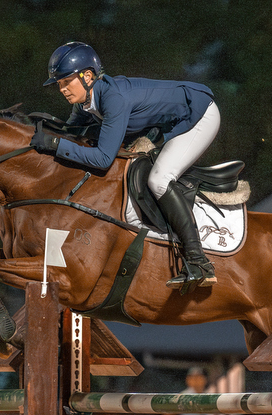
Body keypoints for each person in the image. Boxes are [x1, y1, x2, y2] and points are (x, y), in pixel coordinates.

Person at [32, 41, 220, 291]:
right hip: (171, 123)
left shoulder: (113, 99)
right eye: (59, 84)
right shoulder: (85, 103)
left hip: (198, 115)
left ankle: (200, 263)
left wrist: (54, 144)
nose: (63, 89)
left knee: (159, 179)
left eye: (67, 82)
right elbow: (69, 132)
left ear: (88, 76)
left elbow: (102, 159)